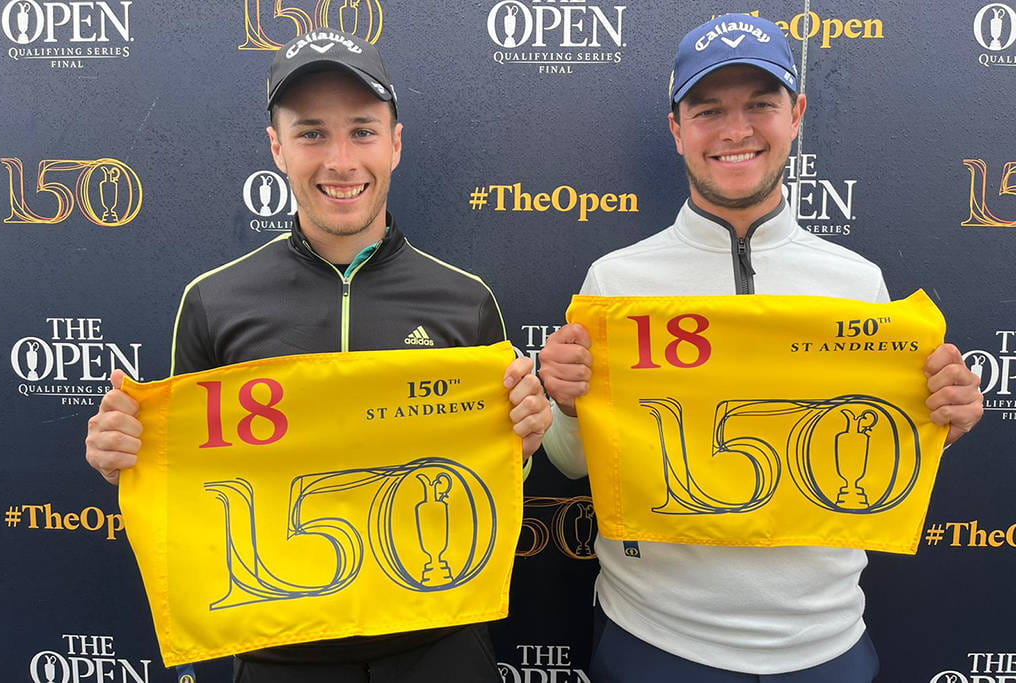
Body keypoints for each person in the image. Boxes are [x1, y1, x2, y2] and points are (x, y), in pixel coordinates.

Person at [85, 30, 551, 683]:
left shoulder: (466, 301)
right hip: (281, 654)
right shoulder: (213, 302)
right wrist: (128, 459)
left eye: (362, 131)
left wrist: (522, 446)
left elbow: (489, 486)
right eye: (311, 134)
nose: (339, 159)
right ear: (276, 147)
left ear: (395, 142)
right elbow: (189, 493)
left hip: (435, 650)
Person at [537, 14, 983, 683]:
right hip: (653, 640)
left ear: (796, 114)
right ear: (677, 128)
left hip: (823, 644)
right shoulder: (616, 283)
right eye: (709, 109)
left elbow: (874, 461)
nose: (736, 130)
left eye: (761, 105)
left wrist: (939, 426)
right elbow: (573, 465)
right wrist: (566, 407)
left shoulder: (859, 286)